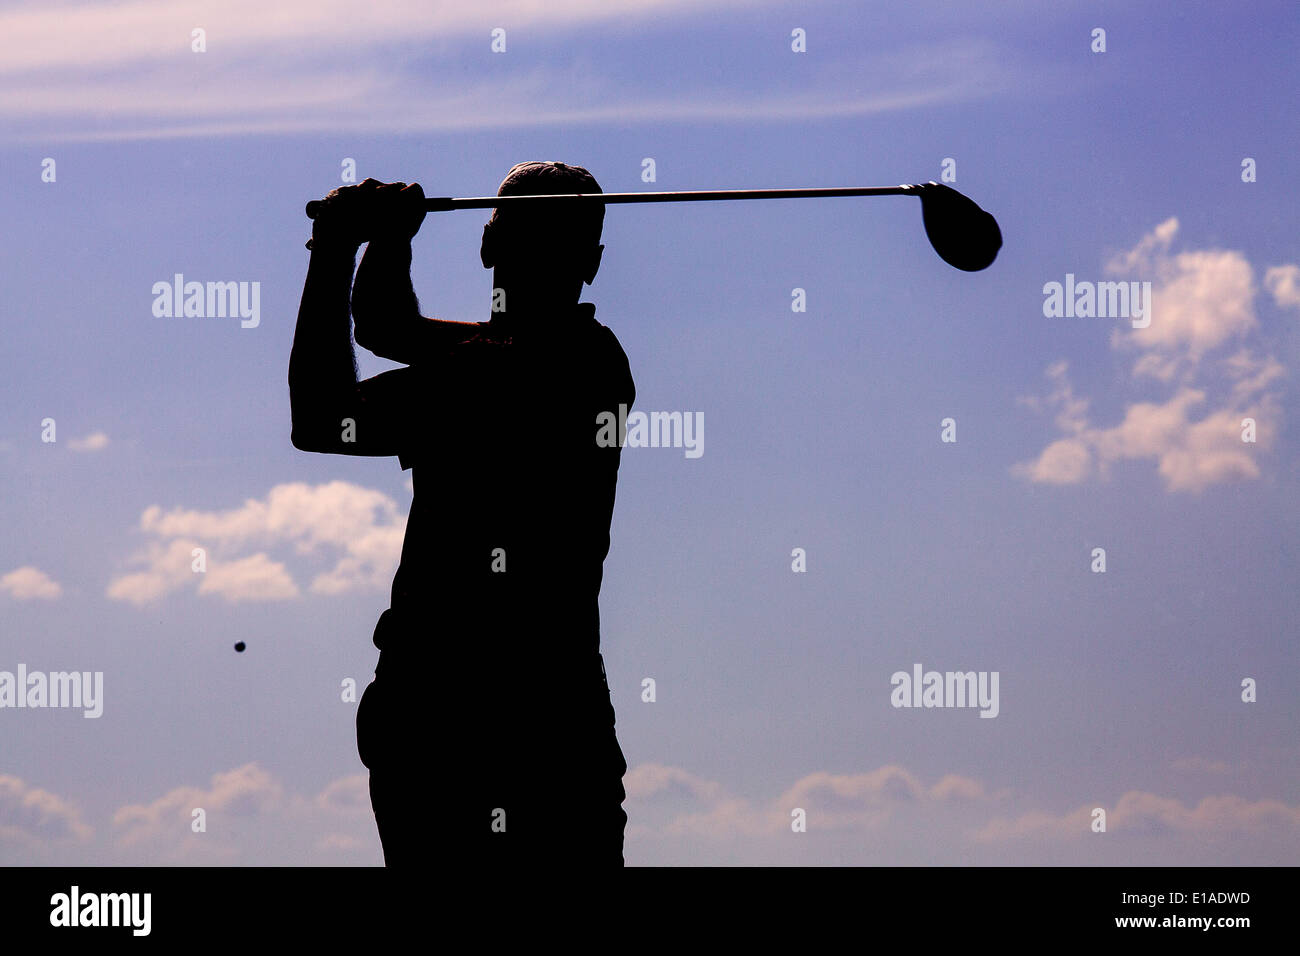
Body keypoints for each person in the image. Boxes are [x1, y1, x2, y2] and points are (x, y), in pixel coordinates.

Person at [288, 162, 635, 867]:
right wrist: (386, 242)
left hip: (448, 714)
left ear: (485, 245)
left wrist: (335, 247)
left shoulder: (487, 372)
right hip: (556, 713)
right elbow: (388, 325)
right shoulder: (593, 357)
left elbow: (323, 418)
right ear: (592, 264)